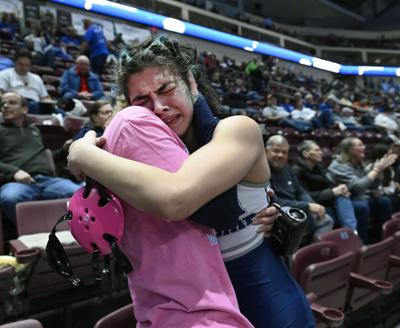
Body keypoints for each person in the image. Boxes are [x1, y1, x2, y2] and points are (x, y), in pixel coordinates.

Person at [68, 35, 315, 327]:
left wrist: (81, 152)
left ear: (190, 83)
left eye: (166, 89)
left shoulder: (238, 129)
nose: (158, 106)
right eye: (142, 101)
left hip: (268, 298)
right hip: (194, 308)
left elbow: (176, 198)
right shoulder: (138, 153)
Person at [0, 91, 81, 224]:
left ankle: (64, 232)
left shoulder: (34, 130)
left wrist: (63, 150)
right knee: (10, 197)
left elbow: (44, 156)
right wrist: (15, 172)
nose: (6, 106)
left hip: (48, 180)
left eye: (12, 103)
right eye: (3, 103)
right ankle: (31, 232)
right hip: (18, 183)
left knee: (78, 193)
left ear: (25, 109)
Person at [292, 140, 369, 242]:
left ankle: (352, 233)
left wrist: (341, 189)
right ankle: (352, 236)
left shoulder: (319, 167)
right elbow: (305, 196)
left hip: (327, 200)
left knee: (349, 199)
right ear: (306, 154)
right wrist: (332, 192)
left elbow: (329, 185)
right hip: (312, 204)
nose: (321, 152)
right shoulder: (297, 171)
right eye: (317, 150)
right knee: (341, 204)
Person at [327, 137, 397, 243]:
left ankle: (381, 239)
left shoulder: (359, 163)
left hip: (358, 197)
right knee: (361, 206)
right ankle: (363, 242)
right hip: (344, 201)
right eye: (360, 145)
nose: (364, 147)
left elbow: (370, 186)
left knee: (384, 201)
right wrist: (376, 170)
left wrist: (380, 172)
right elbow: (358, 187)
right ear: (349, 150)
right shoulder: (338, 165)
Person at [266, 135, 334, 242]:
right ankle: (291, 257)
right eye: (276, 151)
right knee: (291, 220)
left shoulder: (287, 168)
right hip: (279, 212)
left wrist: (313, 205)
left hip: (296, 208)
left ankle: (314, 252)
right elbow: (275, 201)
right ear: (266, 151)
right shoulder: (263, 172)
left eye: (284, 152)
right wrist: (307, 206)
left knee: (326, 220)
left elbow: (300, 191)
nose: (280, 155)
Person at [0, 48, 51, 114]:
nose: (23, 67)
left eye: (27, 65)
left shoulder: (37, 78)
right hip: (15, 104)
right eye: (21, 64)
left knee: (59, 112)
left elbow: (44, 97)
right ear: (15, 63)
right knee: (33, 105)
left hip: (36, 104)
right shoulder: (5, 74)